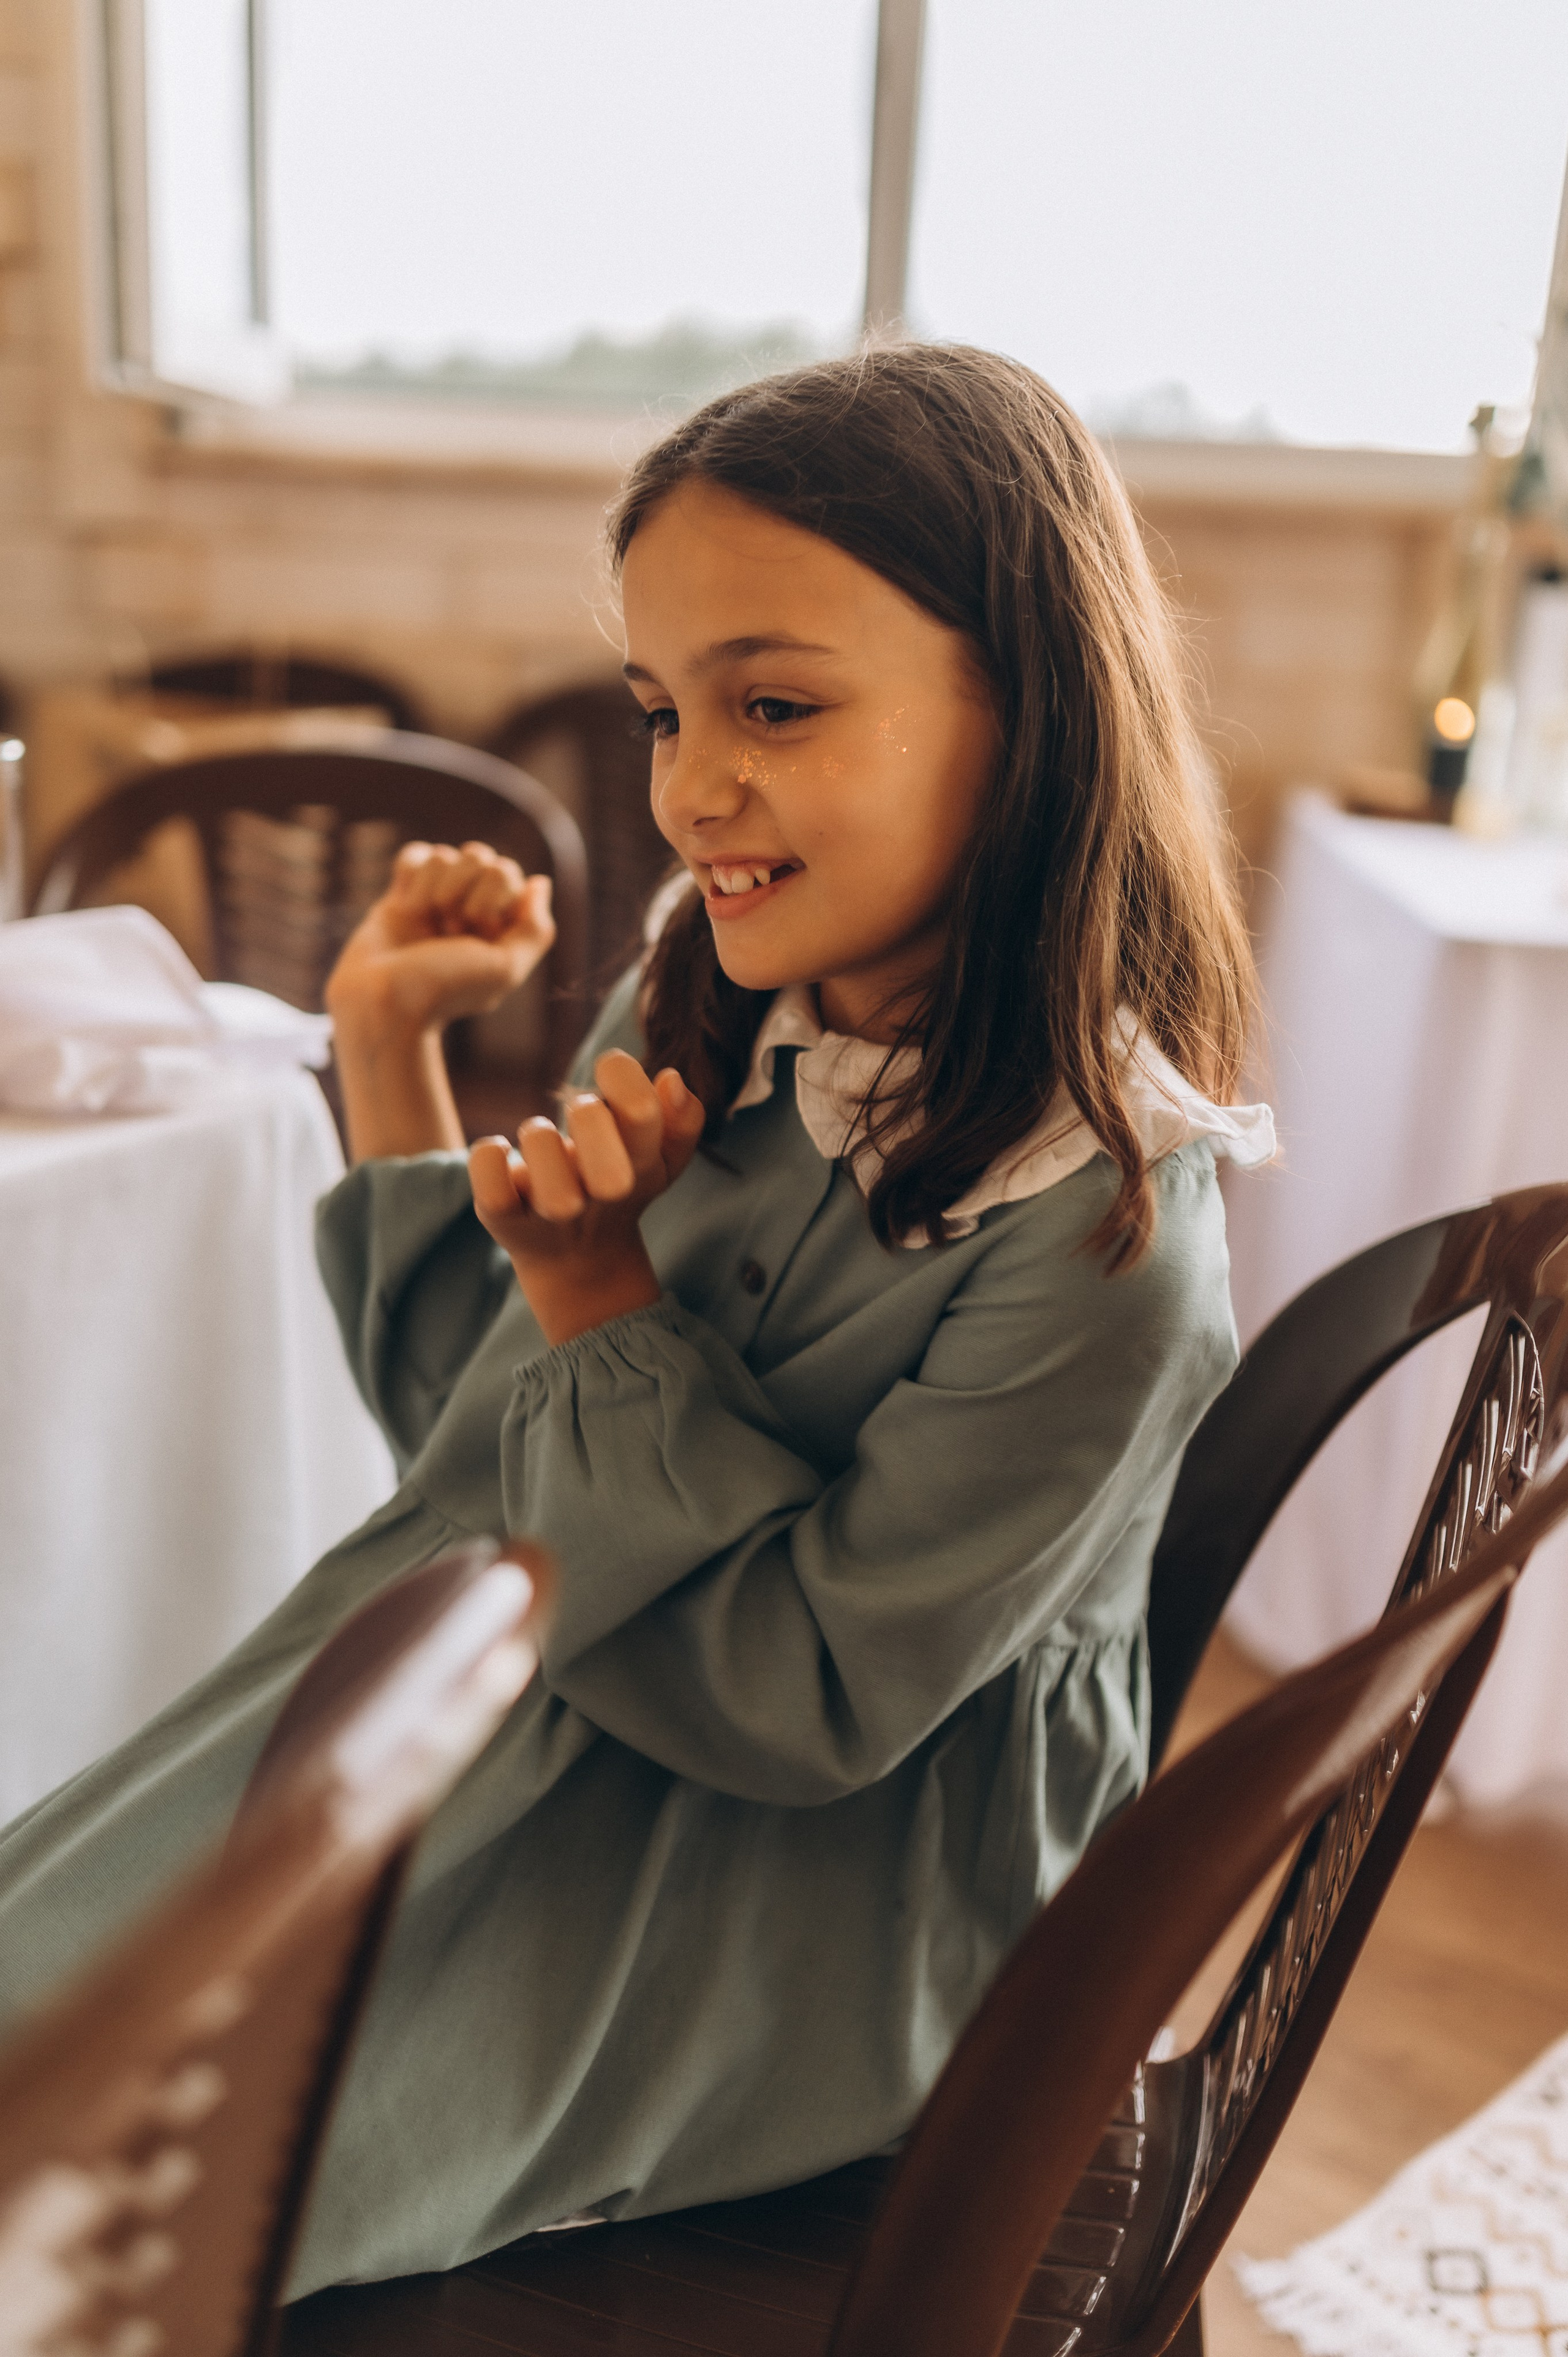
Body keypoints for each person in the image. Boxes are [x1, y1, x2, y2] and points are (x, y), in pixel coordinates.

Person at [0, 344, 1272, 2296]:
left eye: (772, 703)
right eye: (661, 708)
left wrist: (599, 1298)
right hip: (538, 1706)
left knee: (153, 2174)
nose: (688, 787)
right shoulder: (721, 985)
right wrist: (385, 1046)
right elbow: (484, 1445)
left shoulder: (1102, 1238)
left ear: (1035, 718)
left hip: (803, 1900)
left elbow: (797, 1706)